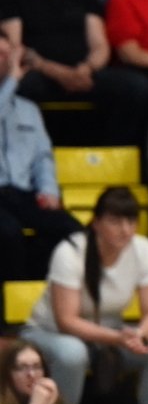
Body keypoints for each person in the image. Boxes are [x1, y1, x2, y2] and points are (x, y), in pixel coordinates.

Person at [19, 187, 148, 404]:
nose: (125, 229)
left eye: (131, 221)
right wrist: (117, 338)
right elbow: (67, 321)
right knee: (73, 352)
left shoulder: (144, 249)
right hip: (49, 333)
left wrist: (140, 335)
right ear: (96, 223)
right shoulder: (69, 252)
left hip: (110, 334)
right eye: (115, 221)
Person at [1, 0, 148, 143]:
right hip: (39, 72)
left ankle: (113, 155)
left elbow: (100, 44)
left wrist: (86, 69)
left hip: (82, 72)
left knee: (137, 88)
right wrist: (58, 72)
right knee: (21, 88)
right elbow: (14, 47)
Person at [0, 45, 81, 282]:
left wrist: (48, 190)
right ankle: (9, 309)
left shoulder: (28, 109)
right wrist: (13, 79)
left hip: (22, 193)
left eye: (8, 53)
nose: (7, 59)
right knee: (7, 234)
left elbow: (42, 157)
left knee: (71, 230)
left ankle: (51, 298)